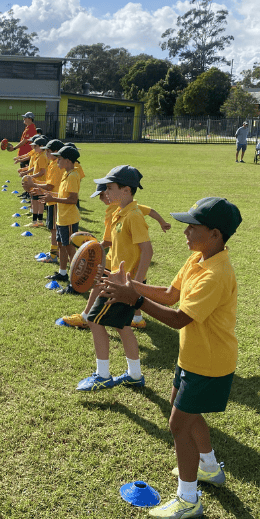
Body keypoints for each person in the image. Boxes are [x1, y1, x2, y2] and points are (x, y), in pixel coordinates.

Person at [101, 197, 242, 519]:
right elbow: (167, 293)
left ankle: (188, 499)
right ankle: (208, 468)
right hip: (192, 356)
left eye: (194, 226)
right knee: (186, 413)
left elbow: (179, 318)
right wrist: (128, 284)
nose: (186, 231)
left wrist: (133, 298)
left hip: (209, 362)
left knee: (178, 423)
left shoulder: (215, 274)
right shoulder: (197, 258)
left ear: (216, 234)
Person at [74, 165, 152, 390]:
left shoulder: (134, 216)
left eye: (110, 187)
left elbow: (147, 252)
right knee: (122, 326)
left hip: (124, 285)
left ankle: (103, 375)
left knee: (93, 320)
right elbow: (118, 250)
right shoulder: (120, 212)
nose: (106, 192)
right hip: (116, 279)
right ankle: (135, 375)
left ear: (126, 190)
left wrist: (134, 285)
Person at [63, 182, 170, 329]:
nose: (102, 198)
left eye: (103, 194)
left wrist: (95, 247)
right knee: (120, 289)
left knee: (99, 282)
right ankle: (137, 319)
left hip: (119, 258)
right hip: (117, 256)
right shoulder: (117, 209)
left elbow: (148, 213)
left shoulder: (126, 210)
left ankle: (86, 317)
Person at [42, 145, 81, 294]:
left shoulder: (73, 176)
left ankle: (74, 282)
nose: (57, 160)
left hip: (69, 219)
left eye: (60, 158)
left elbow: (72, 199)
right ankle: (63, 273)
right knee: (61, 245)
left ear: (68, 161)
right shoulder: (66, 173)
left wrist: (54, 198)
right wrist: (47, 195)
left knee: (71, 250)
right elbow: (63, 195)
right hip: (61, 218)